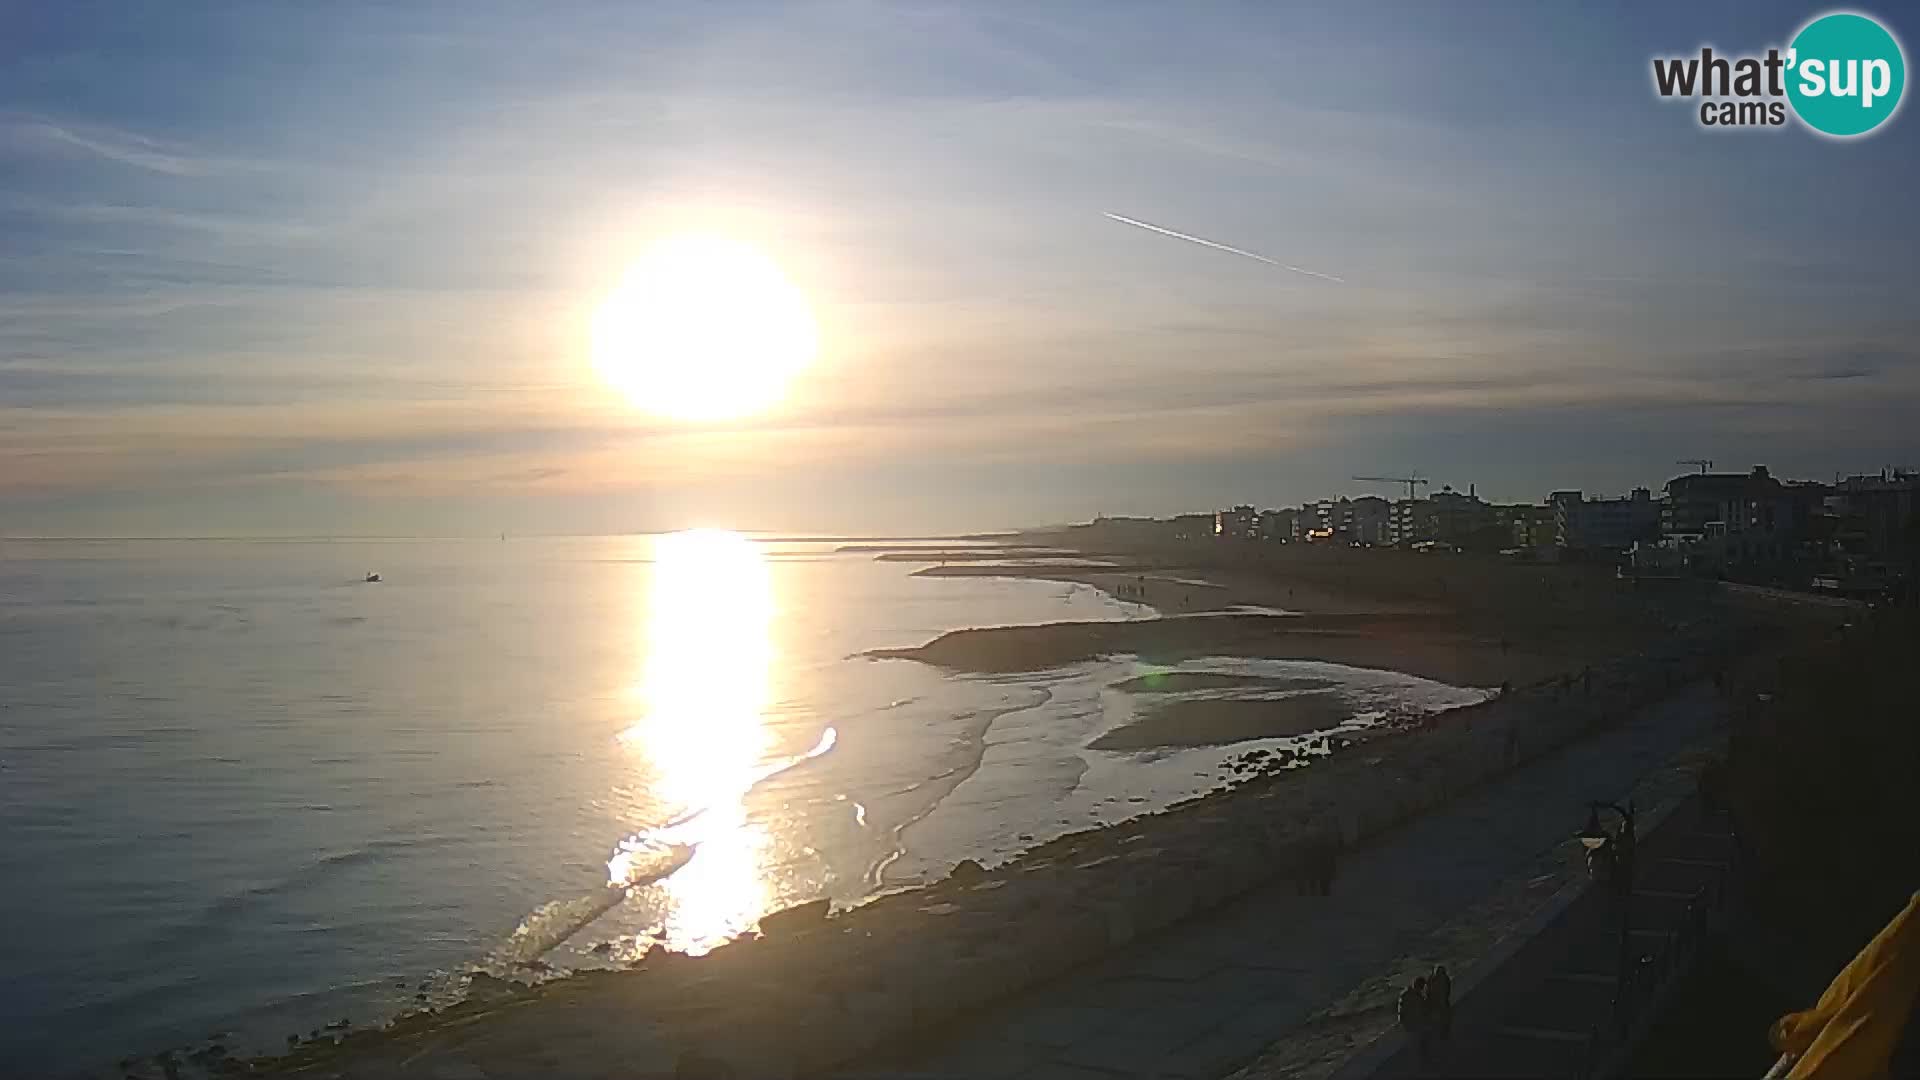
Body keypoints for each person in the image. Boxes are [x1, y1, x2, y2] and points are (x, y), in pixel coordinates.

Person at [1399, 977, 1431, 1061]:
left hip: (1413, 1025)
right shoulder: (1414, 996)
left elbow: (1401, 1011)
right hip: (1413, 1026)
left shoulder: (1407, 995)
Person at [1427, 965, 1453, 1044]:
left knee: (1441, 1018)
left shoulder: (1432, 979)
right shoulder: (1443, 978)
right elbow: (1448, 989)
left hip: (1438, 1002)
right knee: (1444, 1018)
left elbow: (1428, 990)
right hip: (1441, 1001)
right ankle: (1443, 1033)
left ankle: (1442, 1033)